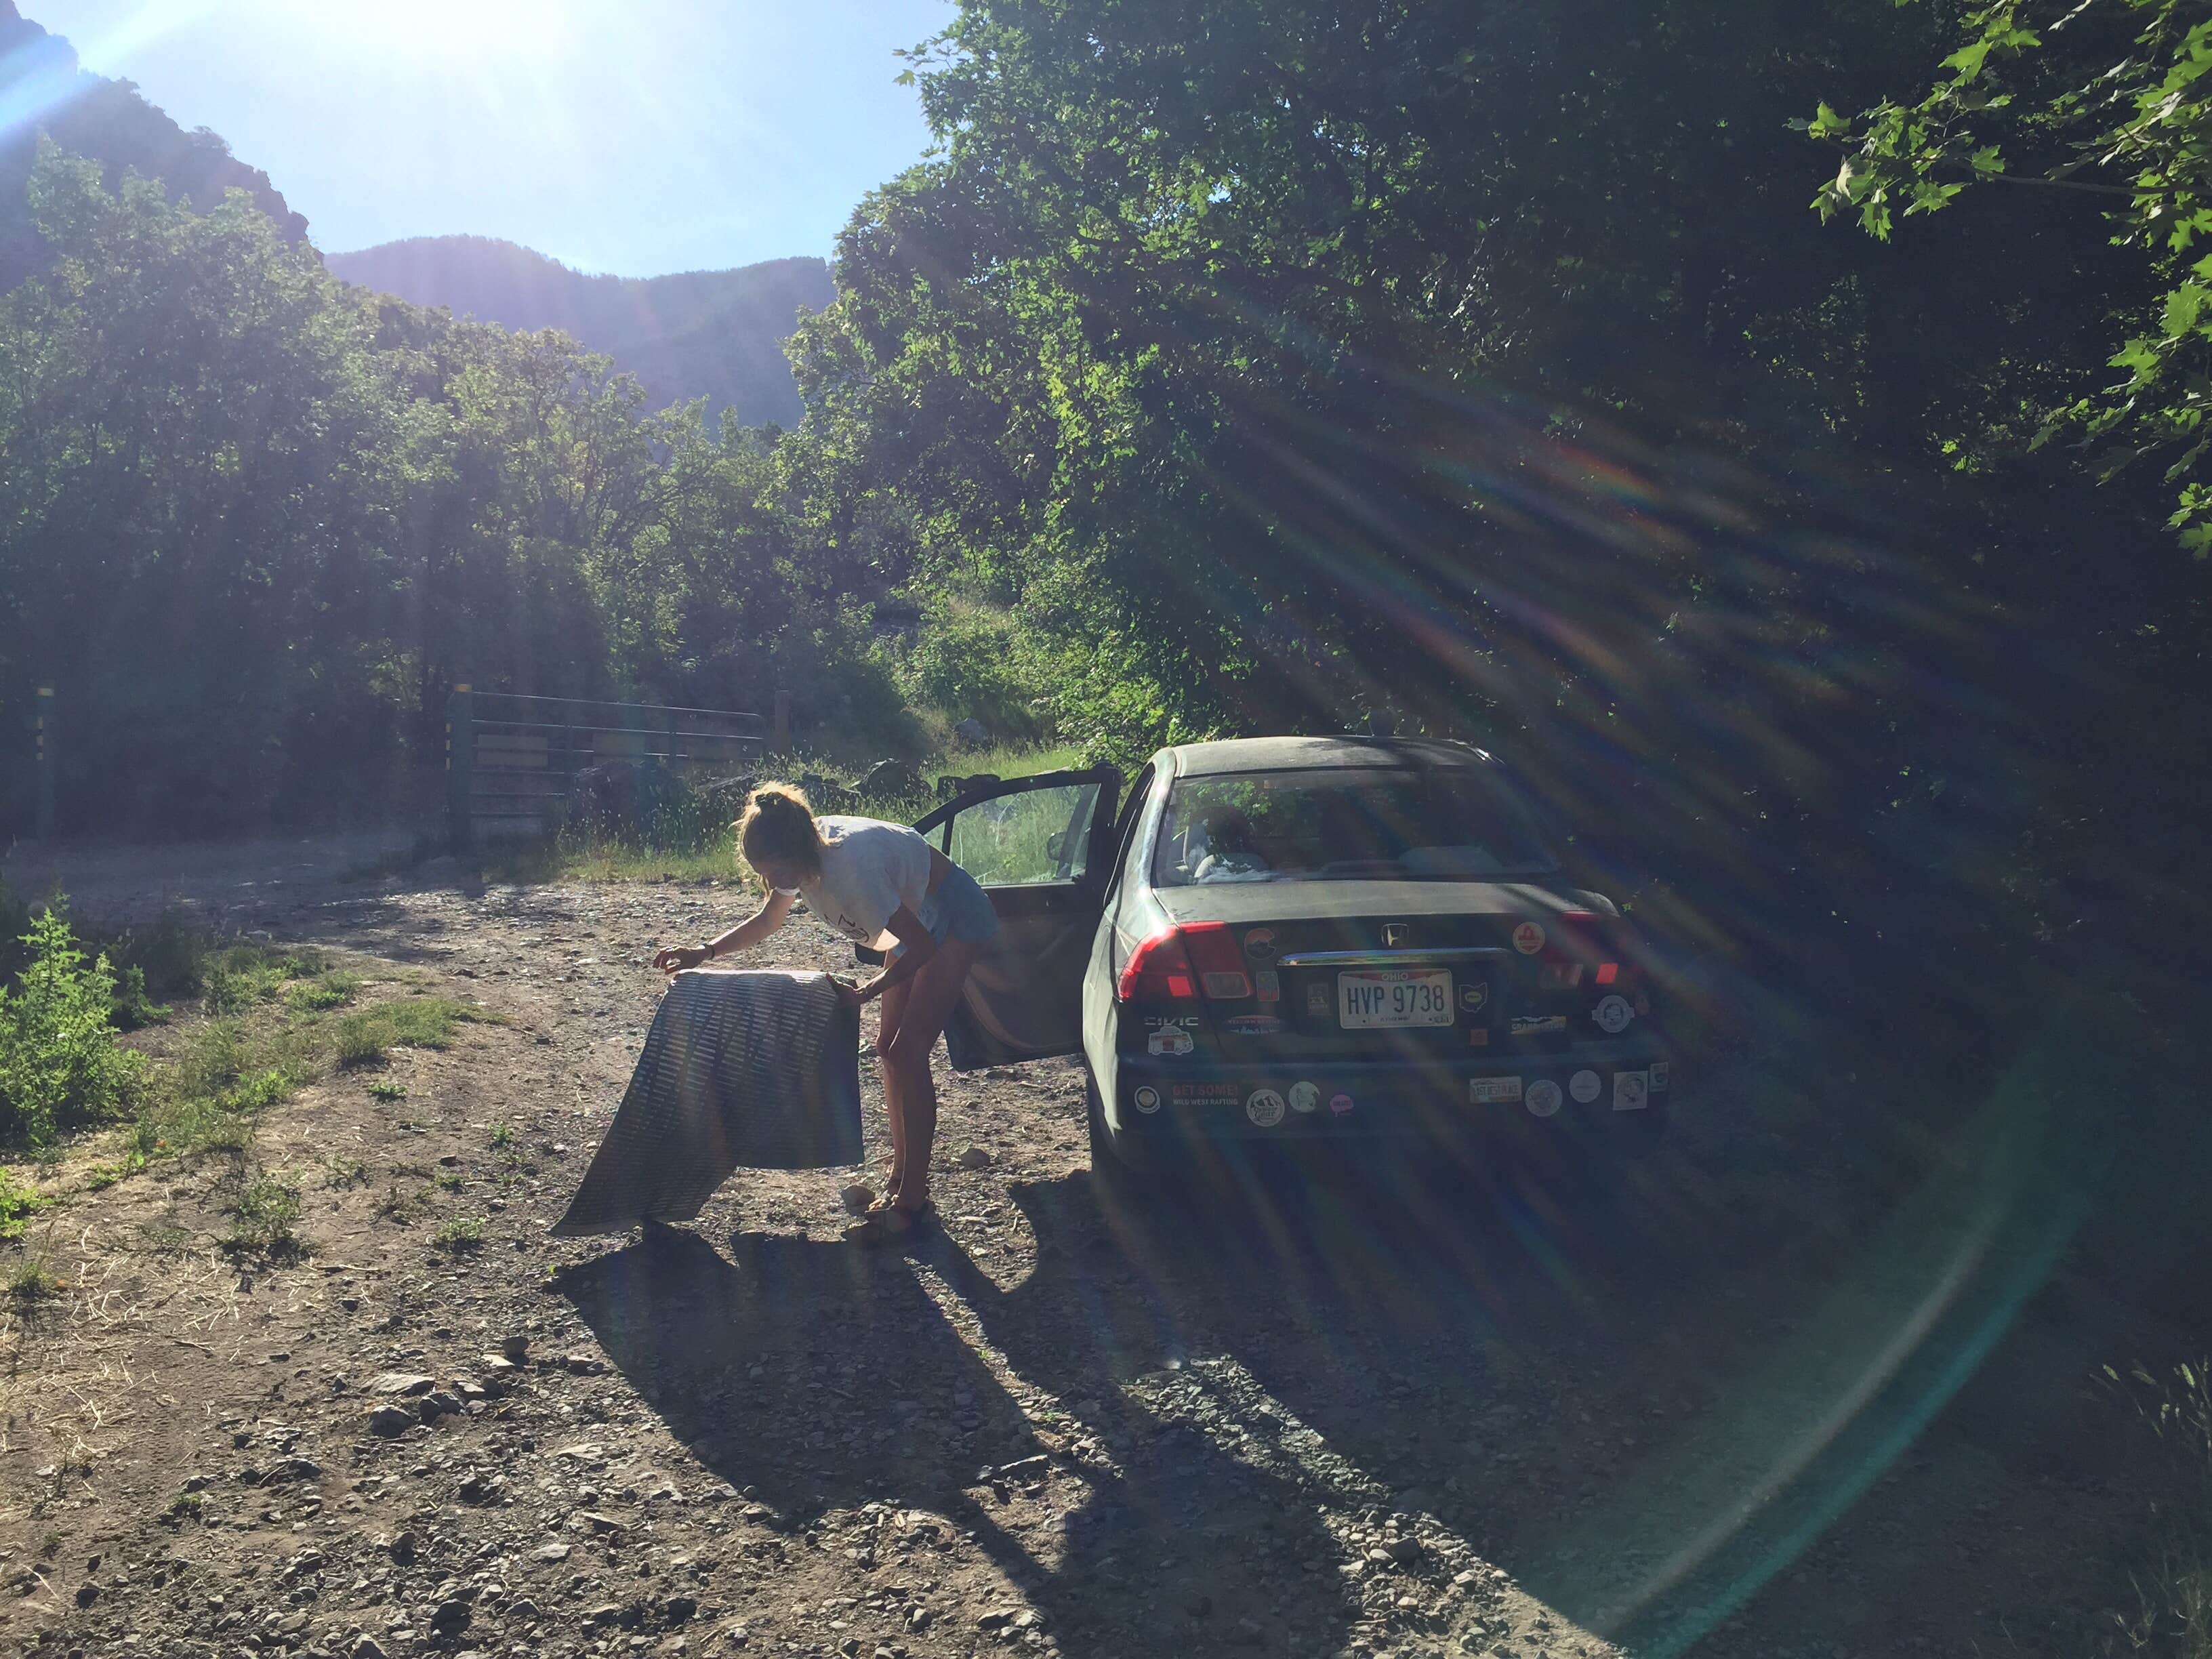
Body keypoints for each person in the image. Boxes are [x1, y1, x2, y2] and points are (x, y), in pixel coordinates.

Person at [652, 783, 1000, 1241]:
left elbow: (920, 945)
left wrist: (868, 990)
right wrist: (705, 951)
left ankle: (914, 1203)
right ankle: (900, 1181)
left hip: (953, 915)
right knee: (886, 1050)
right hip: (916, 916)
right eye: (762, 872)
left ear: (793, 852)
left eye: (773, 870)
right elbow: (768, 920)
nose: (771, 880)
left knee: (909, 1053)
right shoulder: (797, 857)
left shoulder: (849, 871)